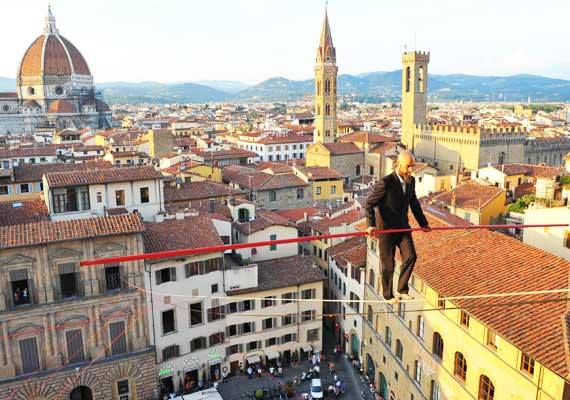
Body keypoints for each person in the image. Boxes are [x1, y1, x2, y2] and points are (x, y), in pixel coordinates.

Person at [365, 150, 431, 304]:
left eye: (412, 166)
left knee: (411, 256)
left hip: (402, 226)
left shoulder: (411, 181)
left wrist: (423, 223)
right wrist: (371, 225)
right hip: (386, 228)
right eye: (408, 166)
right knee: (388, 263)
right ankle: (388, 295)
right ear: (399, 164)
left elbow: (414, 202)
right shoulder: (385, 182)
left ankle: (402, 290)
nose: (411, 170)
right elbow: (369, 203)